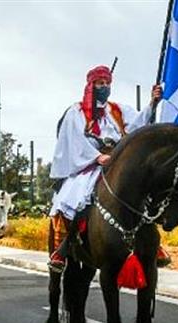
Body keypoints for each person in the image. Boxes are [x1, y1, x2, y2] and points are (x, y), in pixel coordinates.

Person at [47, 64, 162, 272]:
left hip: (117, 161)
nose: (105, 87)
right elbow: (74, 140)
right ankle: (64, 247)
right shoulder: (77, 111)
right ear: (91, 85)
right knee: (76, 196)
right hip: (88, 164)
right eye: (101, 83)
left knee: (143, 191)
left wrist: (152, 103)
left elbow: (136, 126)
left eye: (108, 83)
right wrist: (96, 156)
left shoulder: (116, 110)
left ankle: (153, 242)